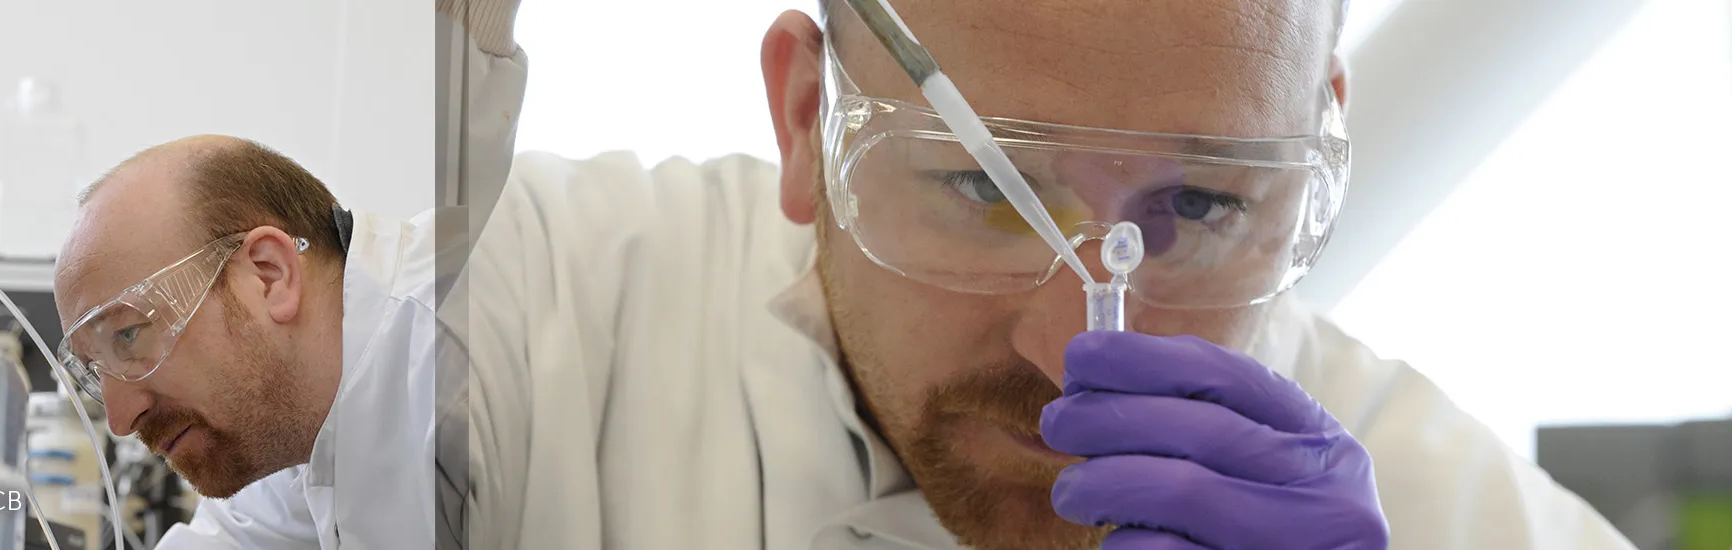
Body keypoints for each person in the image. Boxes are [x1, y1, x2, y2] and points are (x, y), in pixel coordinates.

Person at [455, 0, 1638, 549]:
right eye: (985, 189)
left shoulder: (1457, 517)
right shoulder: (525, 310)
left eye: (1200, 204)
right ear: (811, 118)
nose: (1078, 350)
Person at [52, 135, 443, 548]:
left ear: (268, 275)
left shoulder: (455, 361)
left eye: (129, 334)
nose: (120, 420)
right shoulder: (291, 411)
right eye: (95, 369)